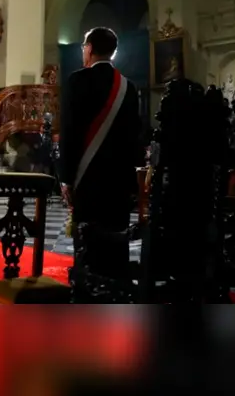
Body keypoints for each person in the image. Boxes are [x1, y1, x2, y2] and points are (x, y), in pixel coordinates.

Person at [60, 27, 141, 302]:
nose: (83, 51)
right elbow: (135, 138)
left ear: (90, 48)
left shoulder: (77, 81)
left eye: (84, 46)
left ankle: (86, 297)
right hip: (119, 184)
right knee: (116, 242)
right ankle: (116, 296)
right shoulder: (128, 87)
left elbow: (69, 133)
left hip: (88, 181)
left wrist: (65, 177)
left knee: (87, 243)